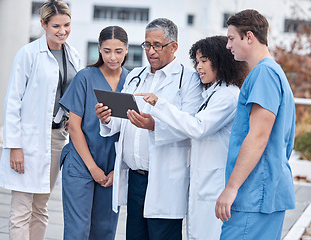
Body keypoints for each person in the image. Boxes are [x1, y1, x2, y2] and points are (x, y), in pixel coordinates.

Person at [95, 18, 201, 240]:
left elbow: (191, 127)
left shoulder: (188, 80)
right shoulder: (135, 76)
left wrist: (154, 126)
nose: (150, 51)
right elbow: (122, 120)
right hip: (136, 179)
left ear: (173, 47)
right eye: (146, 45)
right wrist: (106, 118)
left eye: (157, 45)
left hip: (164, 179)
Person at [138, 36, 249, 240]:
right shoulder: (213, 93)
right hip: (202, 180)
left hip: (214, 183)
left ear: (220, 61)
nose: (198, 67)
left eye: (204, 60)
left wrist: (160, 105)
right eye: (196, 61)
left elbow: (197, 127)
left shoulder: (228, 96)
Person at [0, 0, 80, 239]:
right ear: (43, 24)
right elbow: (13, 102)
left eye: (66, 25)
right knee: (22, 209)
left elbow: (70, 96)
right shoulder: (28, 54)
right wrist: (14, 146)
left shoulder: (73, 55)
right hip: (27, 139)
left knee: (41, 207)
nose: (62, 31)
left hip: (55, 139)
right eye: (56, 26)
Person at [215, 9, 296, 240]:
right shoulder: (272, 72)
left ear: (249, 37)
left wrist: (231, 189)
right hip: (262, 191)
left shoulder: (264, 74)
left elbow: (258, 137)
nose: (228, 45)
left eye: (231, 38)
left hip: (254, 195)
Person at [58, 25, 129, 240]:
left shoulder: (132, 80)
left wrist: (117, 170)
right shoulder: (85, 77)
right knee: (77, 232)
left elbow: (132, 131)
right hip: (81, 163)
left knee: (104, 231)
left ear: (126, 49)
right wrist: (93, 168)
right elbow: (74, 126)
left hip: (112, 168)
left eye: (118, 51)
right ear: (99, 49)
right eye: (107, 50)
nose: (112, 57)